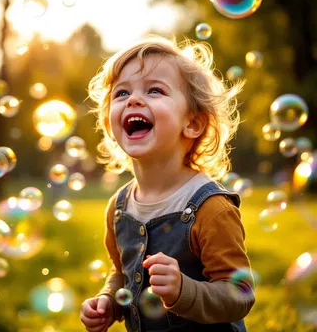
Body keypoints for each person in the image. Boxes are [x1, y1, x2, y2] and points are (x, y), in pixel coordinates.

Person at [80, 36, 255, 332]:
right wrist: (109, 299)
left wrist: (183, 290)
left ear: (193, 123)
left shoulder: (210, 209)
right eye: (121, 93)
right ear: (110, 124)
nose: (133, 100)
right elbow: (123, 274)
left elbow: (239, 295)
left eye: (155, 90)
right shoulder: (119, 208)